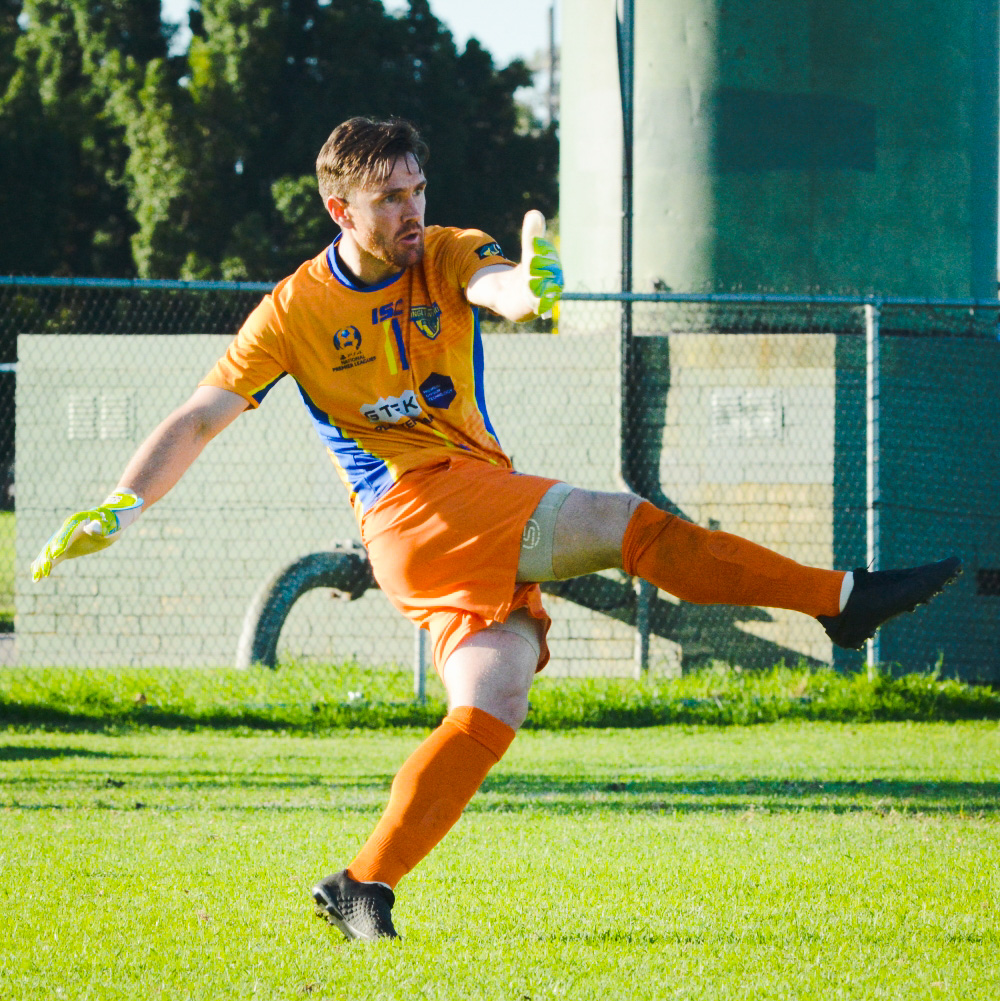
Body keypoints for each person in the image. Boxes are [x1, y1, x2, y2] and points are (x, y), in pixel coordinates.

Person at [32, 117, 961, 942]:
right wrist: (122, 501)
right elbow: (199, 417)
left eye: (416, 190)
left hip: (475, 495)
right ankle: (840, 599)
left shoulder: (440, 252)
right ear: (337, 208)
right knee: (620, 521)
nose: (409, 210)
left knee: (491, 700)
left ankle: (361, 882)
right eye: (388, 197)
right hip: (408, 509)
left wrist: (532, 289)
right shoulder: (293, 311)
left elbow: (501, 288)